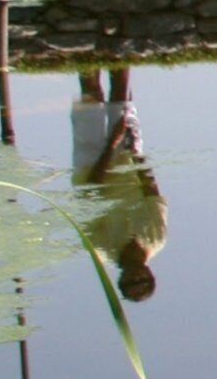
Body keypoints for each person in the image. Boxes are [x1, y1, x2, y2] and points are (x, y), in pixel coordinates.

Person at [70, 66, 168, 301]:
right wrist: (136, 156)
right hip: (127, 158)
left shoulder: (99, 248)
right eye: (142, 280)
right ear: (151, 275)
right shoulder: (157, 239)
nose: (135, 276)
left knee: (91, 94)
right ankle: (116, 42)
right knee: (121, 94)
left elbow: (90, 191)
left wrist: (111, 144)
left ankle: (83, 48)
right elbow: (150, 190)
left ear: (120, 281)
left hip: (90, 163)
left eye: (130, 282)